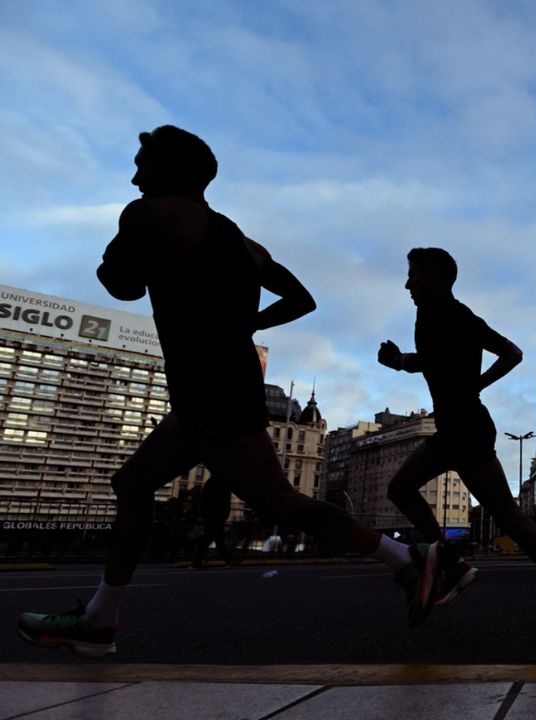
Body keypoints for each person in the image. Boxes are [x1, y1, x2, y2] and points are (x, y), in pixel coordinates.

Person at [17, 126, 444, 659]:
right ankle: (101, 616)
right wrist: (245, 326)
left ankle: (409, 560)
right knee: (138, 483)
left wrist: (123, 255)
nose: (134, 175)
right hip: (227, 377)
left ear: (174, 169)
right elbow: (302, 299)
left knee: (275, 500)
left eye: (142, 164)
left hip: (205, 385)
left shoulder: (149, 213)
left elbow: (120, 283)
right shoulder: (243, 241)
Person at [378, 247, 536, 643]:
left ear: (438, 278)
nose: (407, 283)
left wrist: (474, 384)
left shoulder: (451, 315)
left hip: (465, 428)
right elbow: (441, 359)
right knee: (411, 490)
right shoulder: (439, 315)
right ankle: (453, 563)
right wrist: (400, 363)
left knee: (503, 515)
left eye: (414, 275)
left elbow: (508, 353)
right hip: (457, 426)